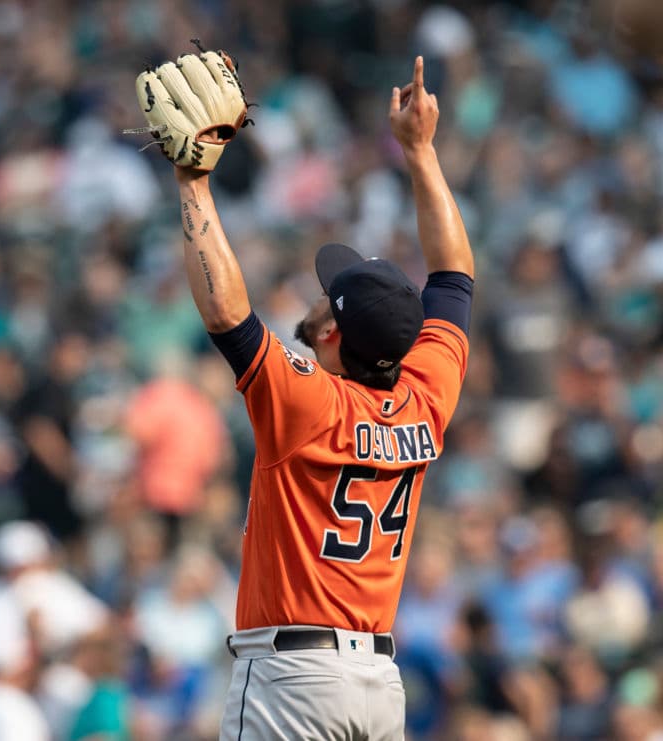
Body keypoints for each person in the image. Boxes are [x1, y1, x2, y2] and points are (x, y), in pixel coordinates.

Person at [170, 57, 475, 740]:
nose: (315, 296)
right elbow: (454, 278)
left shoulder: (310, 406)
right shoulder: (426, 393)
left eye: (325, 294)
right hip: (377, 687)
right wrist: (421, 152)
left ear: (334, 333)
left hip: (293, 678)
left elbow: (227, 314)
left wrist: (192, 181)